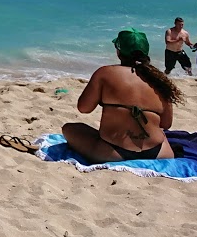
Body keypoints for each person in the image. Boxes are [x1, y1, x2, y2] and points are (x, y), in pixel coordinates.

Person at [61, 28, 183, 163]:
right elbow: (166, 124)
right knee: (161, 135)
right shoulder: (159, 79)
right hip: (159, 152)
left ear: (119, 52)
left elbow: (84, 108)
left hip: (113, 152)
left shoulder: (105, 73)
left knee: (69, 129)